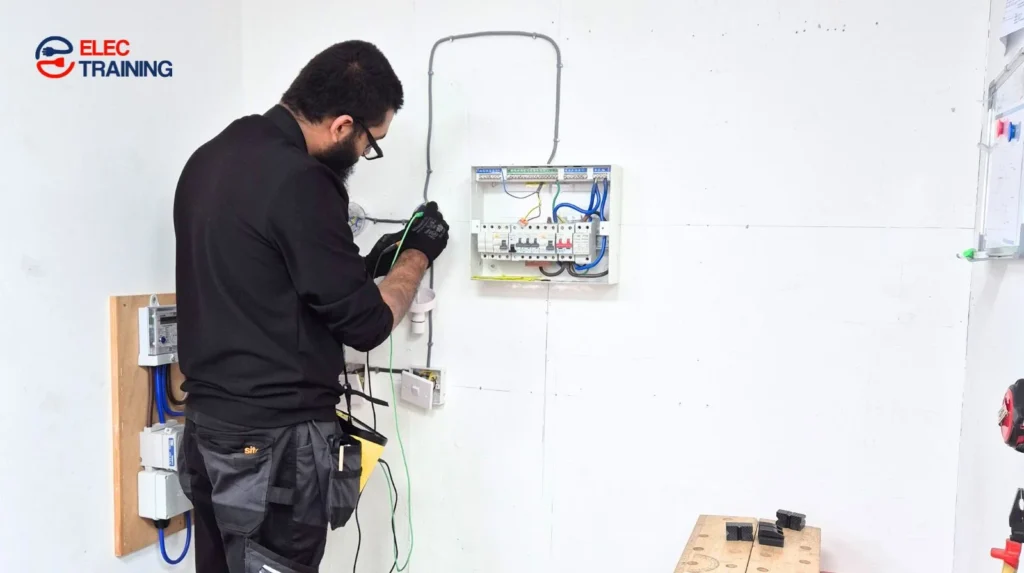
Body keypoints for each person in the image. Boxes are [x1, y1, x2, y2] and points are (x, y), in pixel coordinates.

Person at [172, 40, 449, 573]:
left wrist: (365, 267)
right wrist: (416, 256)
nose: (367, 154)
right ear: (343, 125)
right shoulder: (304, 181)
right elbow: (367, 324)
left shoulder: (211, 158)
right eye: (373, 141)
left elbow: (266, 274)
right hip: (273, 448)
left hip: (207, 432)